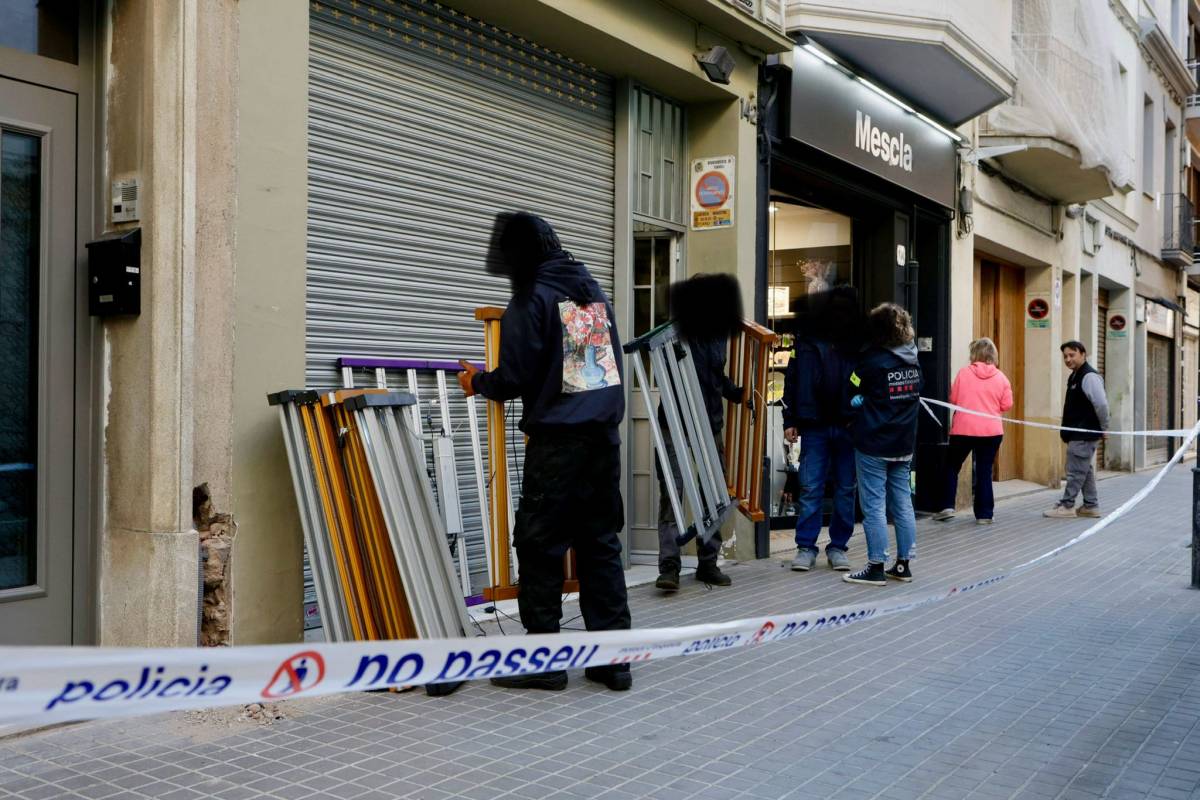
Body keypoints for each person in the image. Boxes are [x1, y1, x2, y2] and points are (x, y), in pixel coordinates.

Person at [458, 212, 632, 691]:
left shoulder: (531, 297)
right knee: (600, 548)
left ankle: (542, 663)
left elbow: (514, 376)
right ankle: (612, 663)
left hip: (557, 446)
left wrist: (477, 382)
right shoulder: (589, 291)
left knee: (540, 547)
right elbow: (586, 372)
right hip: (602, 444)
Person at [654, 273, 744, 593]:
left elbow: (716, 375)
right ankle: (669, 567)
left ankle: (708, 563)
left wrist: (735, 392)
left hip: (710, 425)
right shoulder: (671, 333)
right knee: (672, 495)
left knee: (713, 496)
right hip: (675, 425)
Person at [782, 287, 862, 573]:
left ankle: (838, 547)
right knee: (810, 487)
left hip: (847, 426)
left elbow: (869, 380)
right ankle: (806, 547)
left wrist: (859, 414)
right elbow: (791, 380)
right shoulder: (805, 339)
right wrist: (789, 419)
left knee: (845, 490)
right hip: (814, 425)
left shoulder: (857, 341)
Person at [843, 303, 922, 586]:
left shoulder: (872, 361)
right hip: (903, 443)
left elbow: (852, 387)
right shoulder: (913, 361)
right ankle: (903, 565)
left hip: (873, 443)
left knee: (874, 505)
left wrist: (856, 407)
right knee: (902, 503)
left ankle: (876, 565)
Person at [933, 337, 1013, 525]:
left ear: (974, 354)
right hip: (991, 431)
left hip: (963, 430)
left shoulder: (963, 374)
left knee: (952, 466)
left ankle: (946, 506)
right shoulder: (1001, 378)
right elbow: (1007, 404)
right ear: (993, 355)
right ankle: (985, 514)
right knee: (984, 470)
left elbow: (953, 399)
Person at [1044, 340, 1108, 519]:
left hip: (1084, 432)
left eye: (1072, 355)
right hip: (1077, 432)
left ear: (1083, 354)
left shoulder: (1089, 376)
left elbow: (1101, 404)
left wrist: (1104, 427)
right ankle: (1090, 505)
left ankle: (1067, 506)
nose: (1067, 359)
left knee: (1075, 471)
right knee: (1084, 469)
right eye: (1065, 356)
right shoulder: (1075, 376)